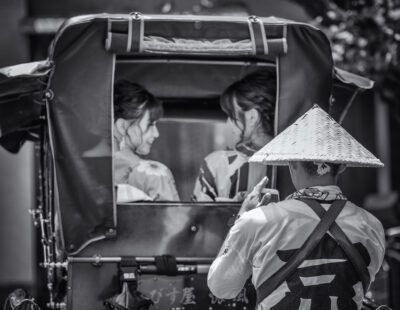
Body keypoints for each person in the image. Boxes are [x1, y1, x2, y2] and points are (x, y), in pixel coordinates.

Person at [208, 105, 385, 309]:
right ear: (342, 165)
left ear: (291, 163)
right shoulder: (372, 225)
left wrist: (241, 218)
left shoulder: (256, 221)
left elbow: (221, 287)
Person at [192, 70, 276, 201]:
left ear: (252, 117)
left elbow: (198, 219)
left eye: (232, 116)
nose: (228, 123)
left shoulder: (217, 164)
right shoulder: (300, 165)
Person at [113, 80, 179, 201]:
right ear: (122, 126)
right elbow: (173, 219)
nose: (156, 133)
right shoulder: (152, 174)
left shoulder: (79, 171)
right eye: (150, 125)